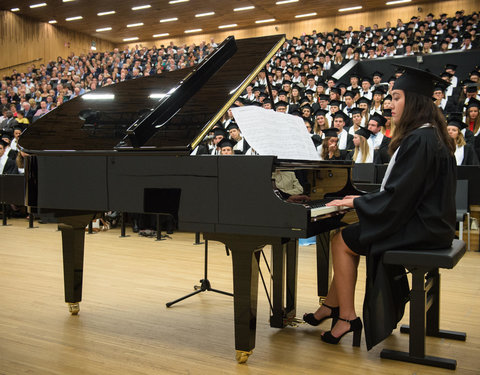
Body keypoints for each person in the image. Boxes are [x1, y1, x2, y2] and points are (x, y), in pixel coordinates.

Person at [303, 65, 456, 351]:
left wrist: (354, 201)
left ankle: (346, 317)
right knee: (350, 234)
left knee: (342, 241)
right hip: (432, 224)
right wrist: (359, 201)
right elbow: (404, 191)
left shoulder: (419, 140)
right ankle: (330, 306)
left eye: (396, 97)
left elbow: (398, 197)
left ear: (415, 102)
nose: (389, 104)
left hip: (422, 229)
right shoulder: (430, 134)